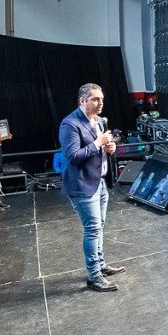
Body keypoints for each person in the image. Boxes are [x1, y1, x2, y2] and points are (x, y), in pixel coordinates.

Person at [59, 84, 126, 293]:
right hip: (81, 185)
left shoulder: (99, 120)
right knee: (92, 229)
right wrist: (98, 143)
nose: (100, 103)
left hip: (99, 181)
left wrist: (109, 148)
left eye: (101, 99)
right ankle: (94, 276)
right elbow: (73, 157)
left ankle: (100, 265)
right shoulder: (70, 124)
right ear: (82, 101)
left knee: (99, 227)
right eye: (95, 99)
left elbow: (101, 149)